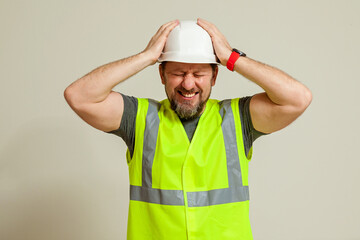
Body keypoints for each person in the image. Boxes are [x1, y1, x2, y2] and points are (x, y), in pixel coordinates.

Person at [64, 18, 312, 240]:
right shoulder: (138, 118)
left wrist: (232, 58)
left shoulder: (238, 119)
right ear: (161, 74)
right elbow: (78, 96)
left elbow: (298, 98)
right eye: (178, 72)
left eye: (199, 73)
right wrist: (146, 57)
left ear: (215, 76)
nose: (188, 83)